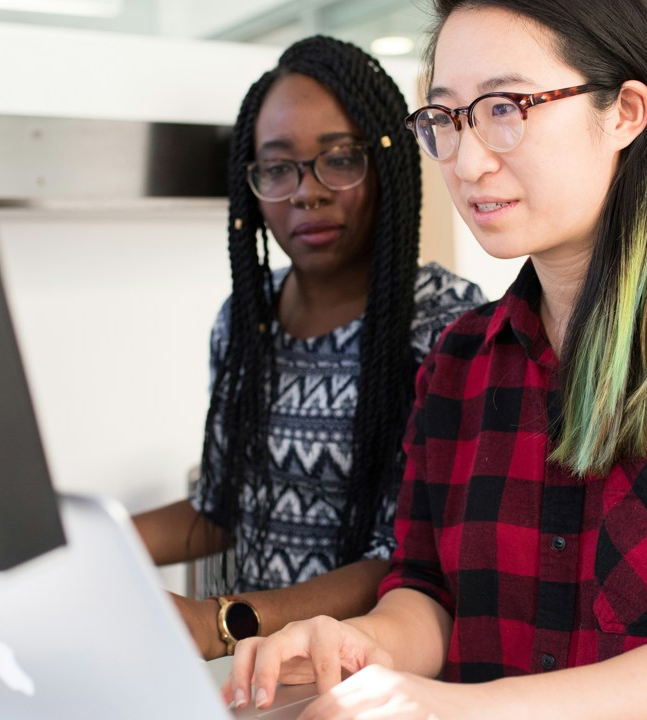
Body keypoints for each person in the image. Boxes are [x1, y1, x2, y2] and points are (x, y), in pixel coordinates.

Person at [222, 2, 647, 719]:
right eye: (448, 120)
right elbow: (427, 592)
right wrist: (361, 648)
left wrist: (453, 710)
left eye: (506, 108)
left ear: (626, 112)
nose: (469, 160)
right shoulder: (461, 358)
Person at [132, 36, 486, 661]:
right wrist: (82, 545)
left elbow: (408, 559)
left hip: (372, 673)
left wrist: (221, 622)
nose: (307, 191)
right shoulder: (245, 321)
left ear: (386, 165)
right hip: (258, 675)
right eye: (278, 167)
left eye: (339, 159)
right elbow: (221, 505)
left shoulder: (444, 326)